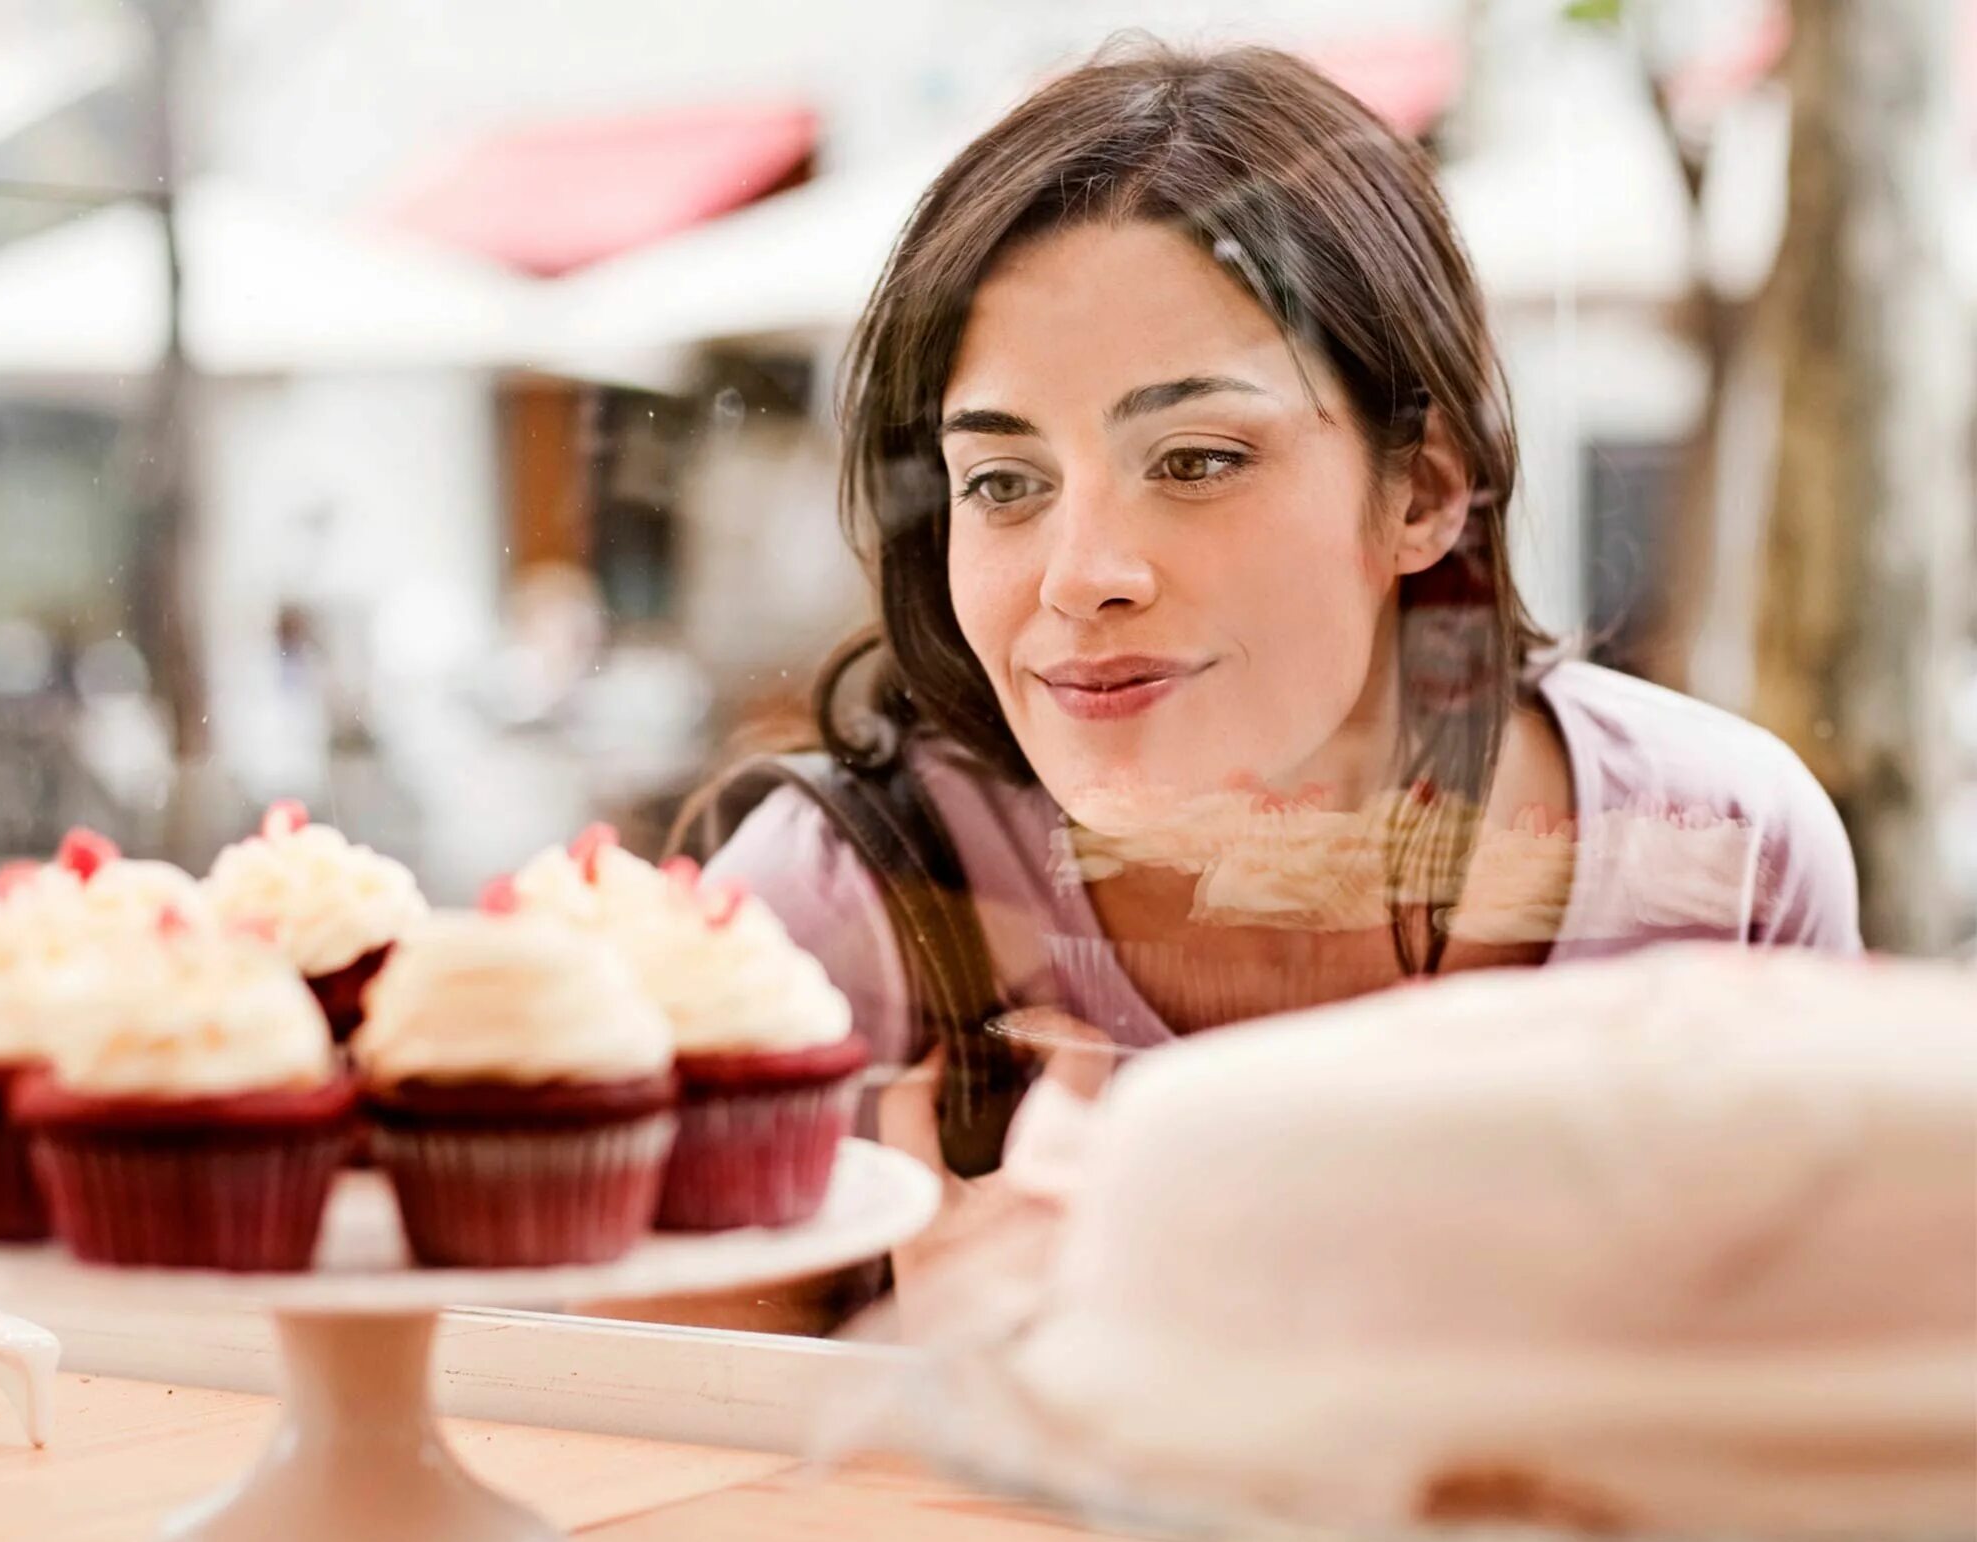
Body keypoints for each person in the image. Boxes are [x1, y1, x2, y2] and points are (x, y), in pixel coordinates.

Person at [694, 42, 1860, 1231]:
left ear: (1421, 491)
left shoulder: (1721, 861)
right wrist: (925, 1379)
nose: (1083, 576)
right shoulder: (835, 914)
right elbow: (601, 1406)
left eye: (1198, 460)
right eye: (1001, 482)